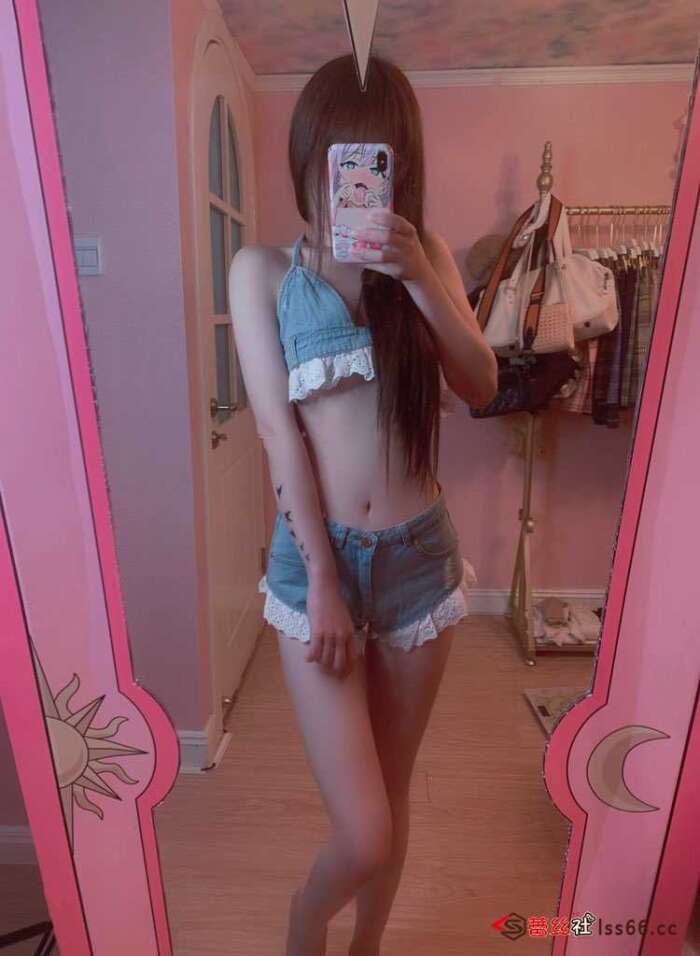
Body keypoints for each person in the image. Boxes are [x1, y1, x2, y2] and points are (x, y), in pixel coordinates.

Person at [228, 53, 497, 956]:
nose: (347, 182)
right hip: (320, 568)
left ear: (399, 167)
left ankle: (366, 946)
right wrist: (324, 584)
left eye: (374, 161)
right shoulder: (263, 272)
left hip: (422, 560)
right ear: (307, 158)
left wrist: (418, 274)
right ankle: (306, 921)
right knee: (364, 828)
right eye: (336, 159)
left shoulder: (429, 260)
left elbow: (483, 384)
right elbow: (279, 435)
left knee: (394, 789)